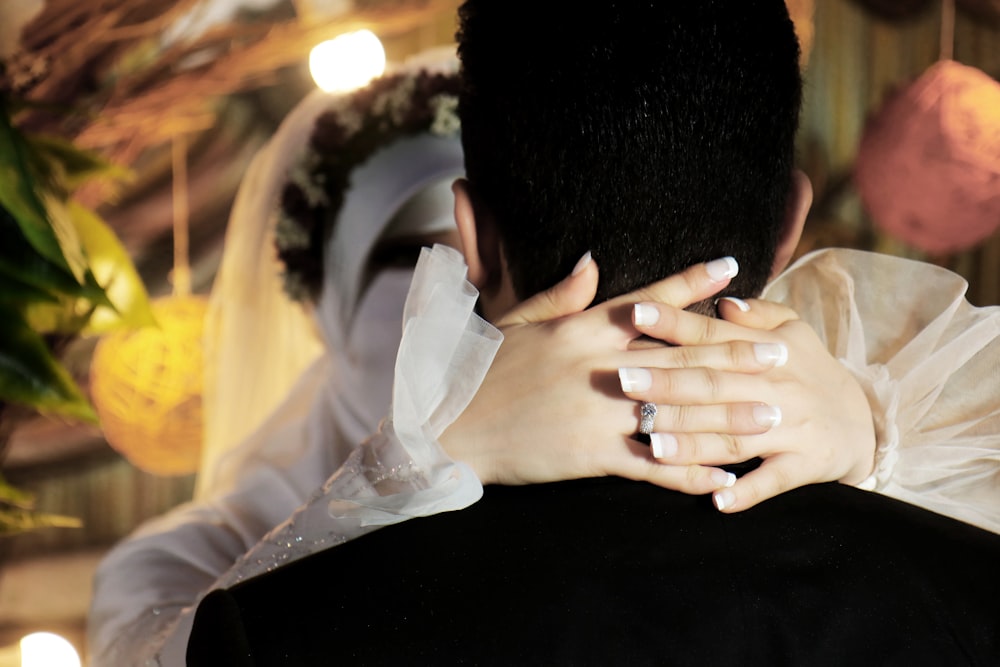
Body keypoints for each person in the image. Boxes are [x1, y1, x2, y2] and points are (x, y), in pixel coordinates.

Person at [184, 0, 1000, 664]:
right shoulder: (973, 591)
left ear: (471, 235)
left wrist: (420, 459)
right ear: (790, 221)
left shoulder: (279, 630)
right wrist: (875, 435)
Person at [89, 50, 843, 667]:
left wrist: (874, 431)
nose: (455, 303)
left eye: (461, 260)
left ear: (485, 240)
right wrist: (418, 460)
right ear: (328, 304)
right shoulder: (166, 563)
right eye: (414, 260)